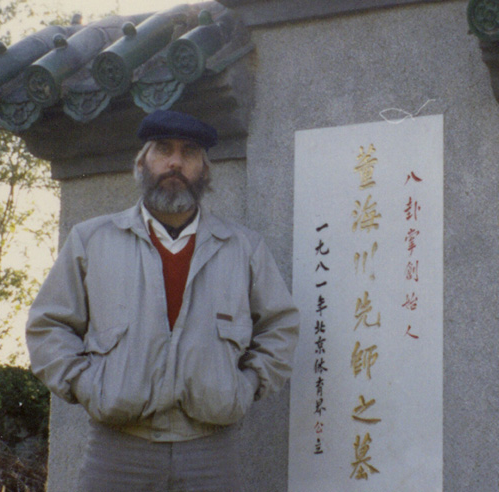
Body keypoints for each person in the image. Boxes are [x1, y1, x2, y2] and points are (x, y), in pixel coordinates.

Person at [26, 110, 299, 491]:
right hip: (117, 447)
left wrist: (247, 384)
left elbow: (279, 326)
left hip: (210, 450)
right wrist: (85, 384)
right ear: (141, 163)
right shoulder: (92, 240)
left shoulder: (242, 248)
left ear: (204, 169)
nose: (175, 162)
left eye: (189, 152)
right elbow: (48, 324)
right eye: (163, 150)